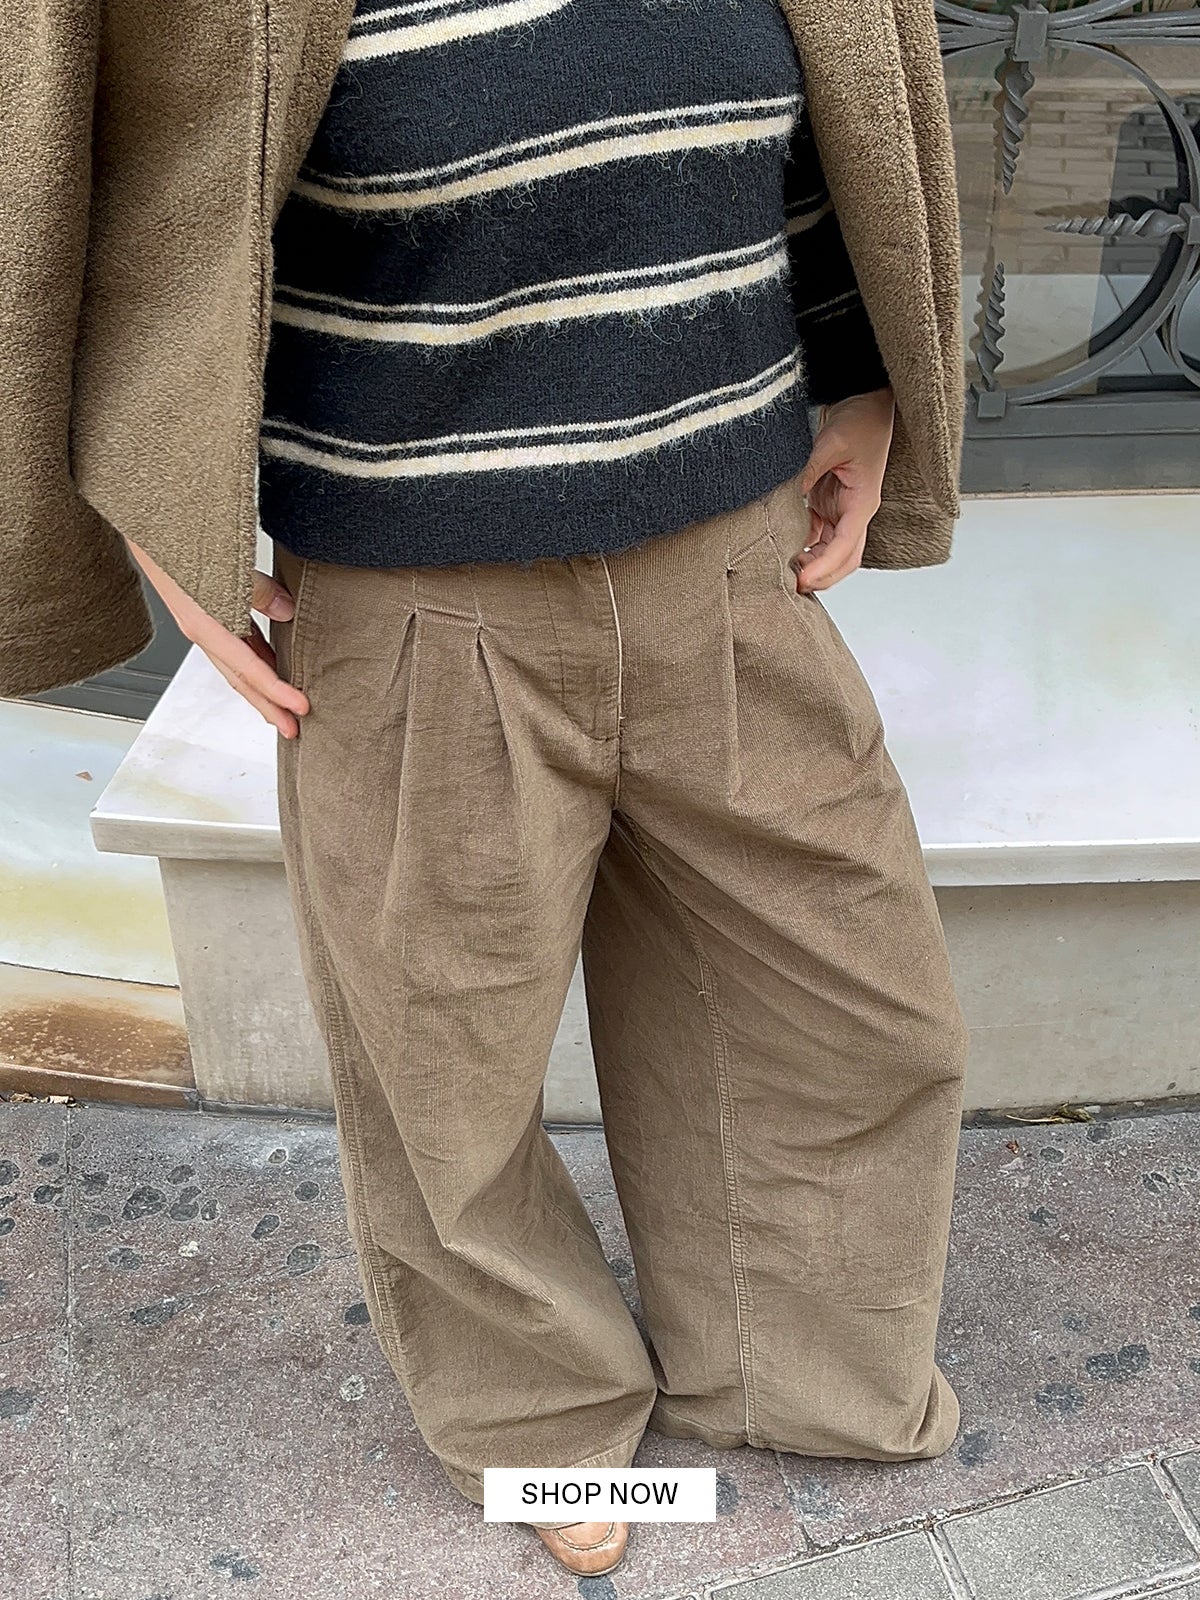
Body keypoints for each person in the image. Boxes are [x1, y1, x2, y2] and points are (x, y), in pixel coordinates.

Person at [2, 0, 967, 1578]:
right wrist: (152, 494)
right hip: (416, 596)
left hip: (739, 557)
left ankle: (794, 1368)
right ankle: (538, 1422)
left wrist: (860, 372)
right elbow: (81, 159)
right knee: (444, 1065)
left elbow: (822, 98)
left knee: (854, 1004)